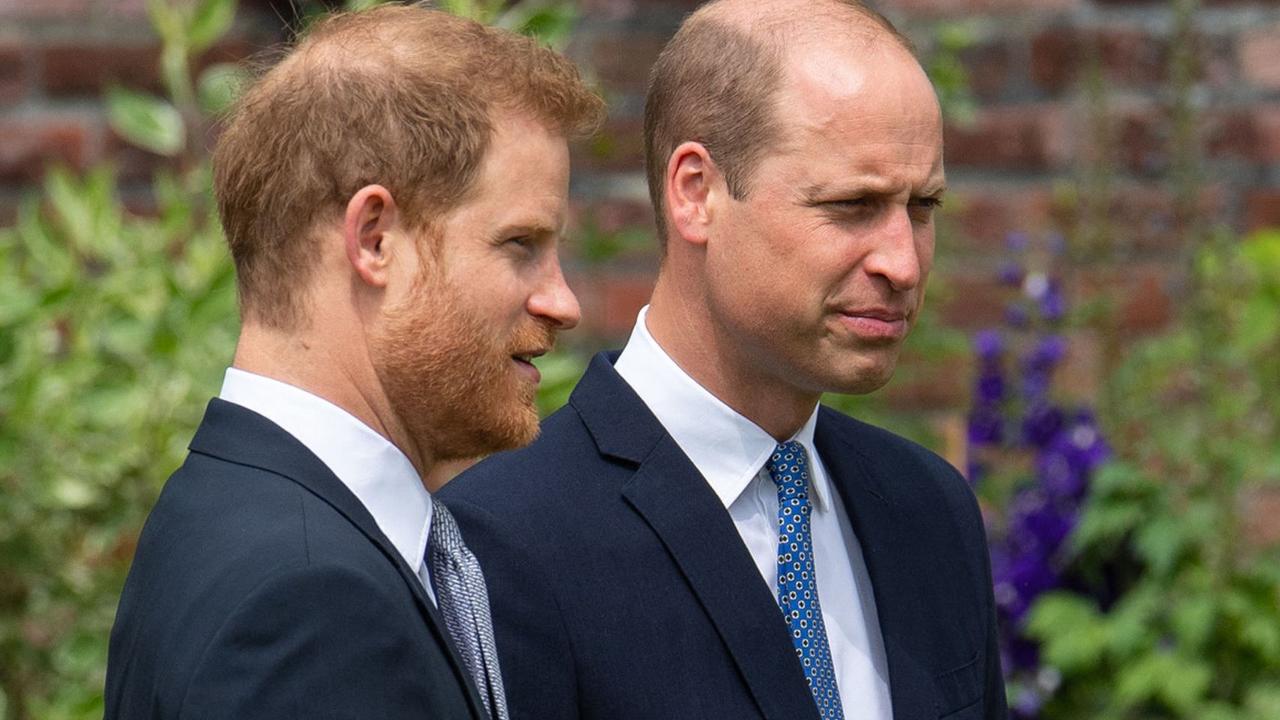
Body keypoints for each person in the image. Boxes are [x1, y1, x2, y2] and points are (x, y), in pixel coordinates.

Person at [438, 0, 1008, 718]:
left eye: (922, 207)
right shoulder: (503, 541)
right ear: (696, 192)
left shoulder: (929, 510)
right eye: (852, 205)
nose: (902, 260)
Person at [103, 6, 603, 719]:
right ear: (374, 239)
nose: (562, 302)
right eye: (520, 244)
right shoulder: (307, 601)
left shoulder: (230, 512)